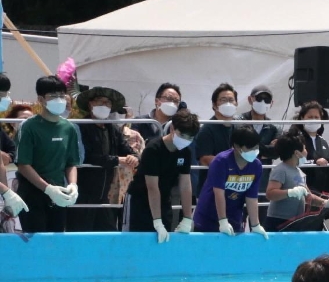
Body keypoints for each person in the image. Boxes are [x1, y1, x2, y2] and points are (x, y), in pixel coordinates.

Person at [14, 75, 81, 233]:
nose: (58, 99)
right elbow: (23, 164)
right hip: (32, 192)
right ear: (41, 99)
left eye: (61, 95)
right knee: (36, 243)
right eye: (52, 96)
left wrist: (72, 185)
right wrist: (48, 189)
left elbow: (71, 163)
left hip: (59, 193)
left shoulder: (68, 128)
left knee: (56, 242)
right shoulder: (29, 127)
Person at [123, 109, 199, 242]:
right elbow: (152, 187)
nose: (186, 140)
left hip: (164, 200)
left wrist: (187, 217)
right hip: (139, 200)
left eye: (190, 138)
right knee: (135, 241)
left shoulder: (185, 152)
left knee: (164, 241)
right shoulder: (153, 149)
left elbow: (185, 185)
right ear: (173, 128)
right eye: (183, 135)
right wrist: (157, 222)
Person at [72, 86, 137, 232]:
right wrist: (116, 160)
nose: (104, 106)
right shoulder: (80, 127)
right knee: (80, 234)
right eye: (99, 102)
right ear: (90, 104)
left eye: (107, 103)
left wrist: (134, 158)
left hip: (105, 194)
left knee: (108, 233)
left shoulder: (112, 128)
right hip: (83, 193)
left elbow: (127, 149)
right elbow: (85, 156)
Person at [191, 125, 267, 238]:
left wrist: (256, 224)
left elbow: (252, 197)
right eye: (249, 148)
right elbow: (218, 194)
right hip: (208, 217)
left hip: (234, 218)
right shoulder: (220, 161)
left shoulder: (256, 166)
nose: (254, 151)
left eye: (256, 148)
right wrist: (222, 221)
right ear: (236, 146)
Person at [264, 132, 329, 231]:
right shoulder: (280, 170)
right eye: (304, 148)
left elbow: (308, 197)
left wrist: (326, 202)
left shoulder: (299, 172)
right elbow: (270, 193)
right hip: (278, 221)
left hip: (295, 221)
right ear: (297, 153)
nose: (306, 151)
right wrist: (290, 192)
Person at [292, 101, 329, 204]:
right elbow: (293, 163)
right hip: (304, 192)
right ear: (302, 118)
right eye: (310, 117)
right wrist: (315, 162)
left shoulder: (322, 141)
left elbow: (327, 159)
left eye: (316, 117)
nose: (313, 120)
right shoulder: (296, 139)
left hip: (323, 192)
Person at [193, 83, 239, 198]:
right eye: (223, 100)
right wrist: (234, 161)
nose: (228, 103)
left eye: (231, 100)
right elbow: (204, 159)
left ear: (236, 103)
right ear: (214, 105)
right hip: (210, 190)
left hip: (234, 188)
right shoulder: (207, 129)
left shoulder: (239, 128)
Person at [238, 85, 280, 190]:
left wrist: (250, 149)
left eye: (267, 100)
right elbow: (239, 148)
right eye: (259, 98)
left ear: (271, 103)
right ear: (250, 99)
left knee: (261, 205)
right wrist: (267, 150)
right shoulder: (238, 122)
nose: (263, 102)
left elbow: (276, 152)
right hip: (239, 178)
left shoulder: (274, 127)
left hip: (262, 181)